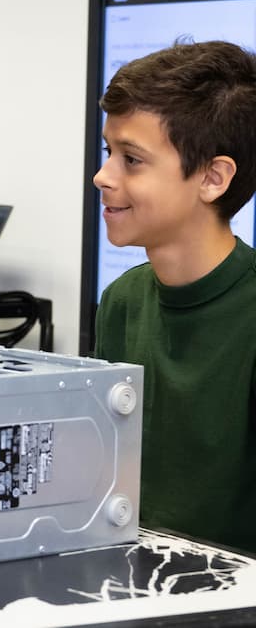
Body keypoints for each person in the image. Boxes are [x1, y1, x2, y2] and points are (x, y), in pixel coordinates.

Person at [93, 40, 256, 553]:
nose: (103, 176)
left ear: (213, 177)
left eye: (132, 160)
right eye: (108, 152)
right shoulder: (121, 301)